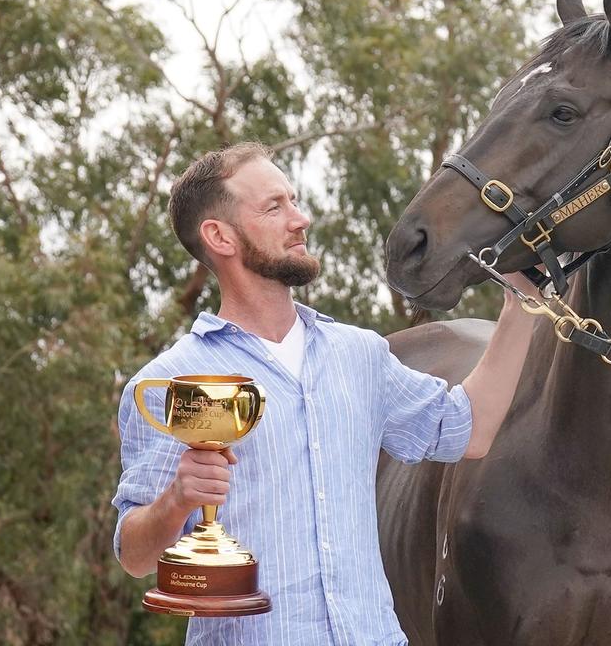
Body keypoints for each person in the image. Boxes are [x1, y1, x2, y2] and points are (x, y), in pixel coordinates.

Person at [112, 142, 536, 645]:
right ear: (219, 236)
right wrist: (177, 500)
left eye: (293, 200)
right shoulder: (171, 382)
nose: (300, 219)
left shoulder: (359, 355)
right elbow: (135, 556)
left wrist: (522, 303)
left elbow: (470, 429)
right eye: (275, 207)